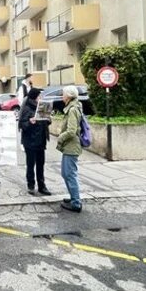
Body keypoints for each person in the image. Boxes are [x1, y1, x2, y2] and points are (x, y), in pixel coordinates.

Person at [19, 88, 52, 196]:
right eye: (39, 96)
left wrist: (48, 119)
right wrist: (30, 121)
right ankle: (31, 185)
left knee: (40, 165)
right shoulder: (27, 109)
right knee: (30, 165)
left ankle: (42, 186)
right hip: (30, 142)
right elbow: (22, 125)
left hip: (41, 141)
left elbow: (45, 123)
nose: (40, 98)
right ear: (34, 97)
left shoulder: (42, 107)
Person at [57, 85, 83, 213]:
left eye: (63, 94)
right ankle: (74, 197)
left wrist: (61, 137)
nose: (62, 96)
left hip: (71, 146)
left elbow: (71, 131)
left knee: (70, 174)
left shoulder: (72, 109)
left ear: (69, 96)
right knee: (65, 173)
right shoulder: (73, 107)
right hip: (69, 146)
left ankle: (76, 203)